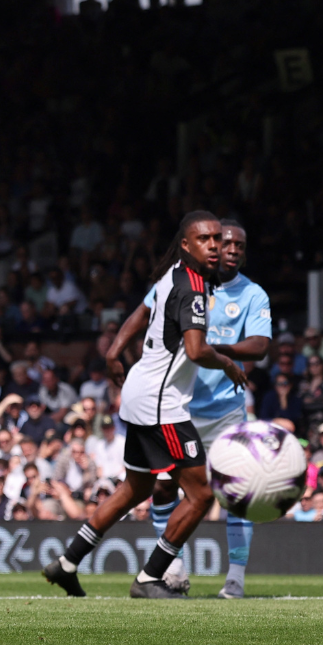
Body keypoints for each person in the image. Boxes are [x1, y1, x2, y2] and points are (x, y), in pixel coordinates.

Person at [44, 211, 247, 599]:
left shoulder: (172, 273)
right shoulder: (192, 287)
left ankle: (67, 563)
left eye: (217, 239)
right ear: (186, 245)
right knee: (202, 495)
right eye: (204, 239)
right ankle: (150, 578)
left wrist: (116, 350)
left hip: (140, 392)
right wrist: (225, 363)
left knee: (135, 488)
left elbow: (143, 311)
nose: (215, 246)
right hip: (161, 403)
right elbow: (195, 349)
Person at [110, 220, 271, 597]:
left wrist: (215, 350)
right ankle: (173, 569)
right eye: (224, 242)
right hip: (178, 406)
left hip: (226, 410)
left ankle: (235, 579)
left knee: (237, 492)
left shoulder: (253, 295)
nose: (230, 249)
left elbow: (261, 346)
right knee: (164, 488)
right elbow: (143, 311)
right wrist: (115, 347)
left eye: (239, 246)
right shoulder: (182, 280)